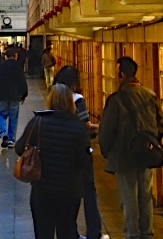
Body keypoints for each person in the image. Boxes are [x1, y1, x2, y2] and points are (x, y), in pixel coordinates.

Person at [97, 57, 163, 239]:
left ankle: (132, 235)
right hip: (145, 154)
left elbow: (107, 130)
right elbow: (161, 124)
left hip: (123, 155)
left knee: (129, 198)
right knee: (145, 196)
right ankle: (147, 233)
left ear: (121, 74)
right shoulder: (150, 95)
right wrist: (150, 142)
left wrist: (106, 151)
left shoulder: (116, 100)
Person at [15, 84, 91, 239]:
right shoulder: (78, 128)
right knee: (67, 230)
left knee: (43, 232)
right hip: (70, 190)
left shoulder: (38, 122)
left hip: (42, 189)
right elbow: (84, 161)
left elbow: (19, 148)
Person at [54, 65, 109, 239]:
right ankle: (94, 231)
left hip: (60, 151)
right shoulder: (77, 99)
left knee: (67, 194)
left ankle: (71, 232)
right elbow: (85, 126)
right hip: (80, 150)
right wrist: (102, 127)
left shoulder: (54, 98)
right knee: (88, 191)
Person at [0, 46, 28, 148]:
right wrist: (24, 95)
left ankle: (3, 134)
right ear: (15, 56)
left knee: (1, 115)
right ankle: (11, 140)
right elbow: (22, 82)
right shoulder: (18, 67)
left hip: (2, 95)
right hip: (15, 96)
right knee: (13, 118)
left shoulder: (0, 67)